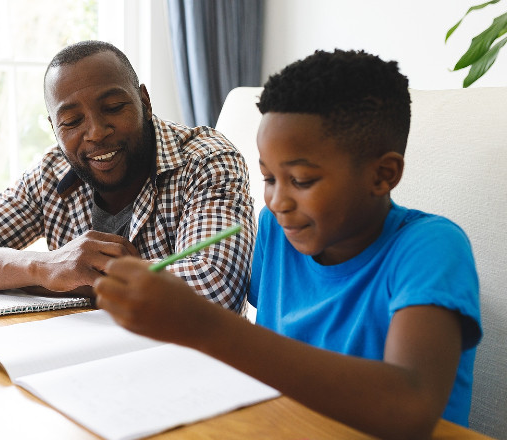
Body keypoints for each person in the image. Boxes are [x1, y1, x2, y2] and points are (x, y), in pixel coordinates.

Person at [93, 49, 482, 439]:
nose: (278, 201)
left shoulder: (432, 248)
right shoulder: (278, 230)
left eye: (301, 180)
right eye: (269, 178)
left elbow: (409, 409)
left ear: (383, 175)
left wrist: (207, 325)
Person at [0, 40, 254, 312]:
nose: (96, 132)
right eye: (71, 121)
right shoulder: (51, 174)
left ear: (144, 102)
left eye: (113, 107)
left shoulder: (205, 159)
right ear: (54, 129)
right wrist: (46, 268)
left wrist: (72, 280)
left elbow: (214, 288)